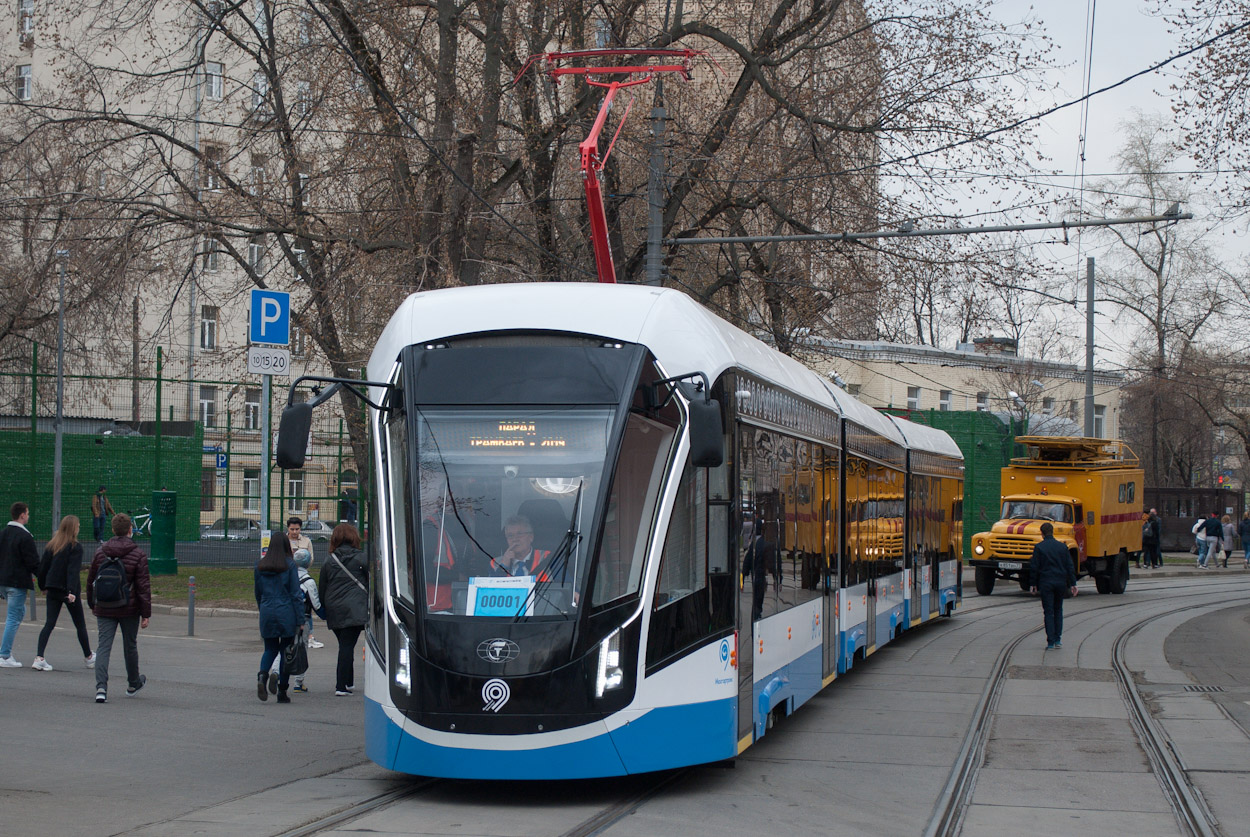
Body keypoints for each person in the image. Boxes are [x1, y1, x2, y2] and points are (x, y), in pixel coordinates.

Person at [87, 513, 151, 702]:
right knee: (129, 645)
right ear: (130, 529)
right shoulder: (138, 554)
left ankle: (101, 688)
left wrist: (93, 603)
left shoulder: (100, 552)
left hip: (104, 605)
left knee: (103, 646)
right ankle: (133, 682)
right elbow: (143, 587)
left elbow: (91, 580)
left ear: (113, 530)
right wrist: (146, 613)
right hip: (129, 608)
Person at [32, 515, 94, 671]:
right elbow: (72, 571)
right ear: (74, 528)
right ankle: (88, 656)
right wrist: (72, 591)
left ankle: (39, 657)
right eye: (78, 526)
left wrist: (43, 586)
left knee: (49, 623)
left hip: (52, 588)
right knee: (80, 624)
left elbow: (43, 569)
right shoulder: (75, 547)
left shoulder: (52, 545)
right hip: (68, 591)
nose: (79, 528)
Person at [319, 523, 368, 696]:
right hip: (355, 607)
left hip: (334, 607)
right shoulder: (362, 558)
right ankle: (341, 686)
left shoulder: (329, 560)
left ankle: (348, 681)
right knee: (347, 645)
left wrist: (324, 608)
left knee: (345, 644)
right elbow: (369, 582)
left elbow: (322, 587)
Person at [255, 531, 303, 704]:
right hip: (286, 612)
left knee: (269, 649)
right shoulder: (289, 565)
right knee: (286, 652)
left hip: (267, 610)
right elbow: (296, 594)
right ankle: (282, 691)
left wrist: (263, 609)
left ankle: (262, 676)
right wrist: (300, 620)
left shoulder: (259, 566)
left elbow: (258, 593)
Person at [0, 502, 39, 667]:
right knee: (13, 617)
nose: (28, 516)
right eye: (27, 513)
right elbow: (33, 562)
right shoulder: (25, 536)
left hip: (3, 581)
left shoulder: (3, 533)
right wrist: (43, 580)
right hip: (16, 582)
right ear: (22, 515)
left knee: (18, 611)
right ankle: (4, 655)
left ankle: (5, 653)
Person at [1029, 521, 1077, 649]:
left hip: (1046, 583)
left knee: (1048, 612)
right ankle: (1058, 639)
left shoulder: (1039, 548)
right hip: (1060, 583)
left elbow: (1035, 567)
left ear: (1042, 533)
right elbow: (1069, 566)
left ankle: (1050, 641)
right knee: (1058, 610)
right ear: (1052, 532)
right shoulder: (1062, 547)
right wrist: (1073, 583)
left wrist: (1033, 583)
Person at [290, 548, 326, 693]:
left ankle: (276, 672)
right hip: (302, 618)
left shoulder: (288, 576)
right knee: (301, 649)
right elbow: (316, 604)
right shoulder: (308, 581)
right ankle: (299, 682)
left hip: (286, 617)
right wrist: (326, 616)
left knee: (283, 647)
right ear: (308, 563)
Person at [286, 518, 323, 648]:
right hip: (289, 574)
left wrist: (302, 560)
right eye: (292, 529)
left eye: (297, 529)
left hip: (302, 574)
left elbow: (311, 558)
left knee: (306, 605)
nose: (295, 532)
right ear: (288, 529)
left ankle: (310, 635)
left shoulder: (306, 541)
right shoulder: (285, 541)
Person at [750, 521, 778, 622]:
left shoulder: (754, 544)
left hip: (756, 576)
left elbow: (747, 561)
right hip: (761, 577)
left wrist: (743, 576)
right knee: (759, 598)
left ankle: (756, 614)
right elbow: (772, 564)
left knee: (756, 599)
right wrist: (776, 578)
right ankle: (757, 615)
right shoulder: (768, 545)